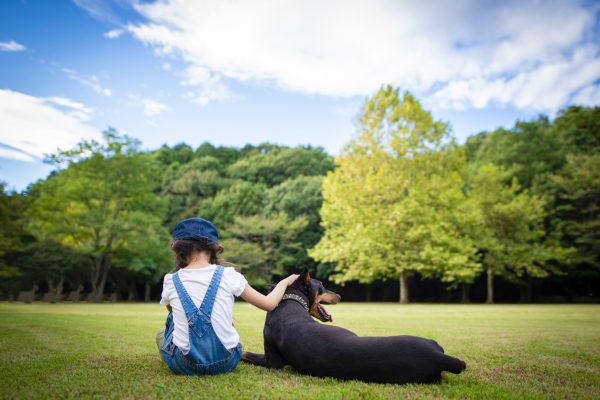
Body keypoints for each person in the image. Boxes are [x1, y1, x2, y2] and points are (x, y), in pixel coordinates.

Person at [155, 217, 298, 376]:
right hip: (227, 362)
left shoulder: (171, 280)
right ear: (214, 248)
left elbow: (172, 310)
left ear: (179, 249)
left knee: (166, 326)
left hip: (185, 366)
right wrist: (284, 282)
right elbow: (269, 304)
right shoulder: (229, 275)